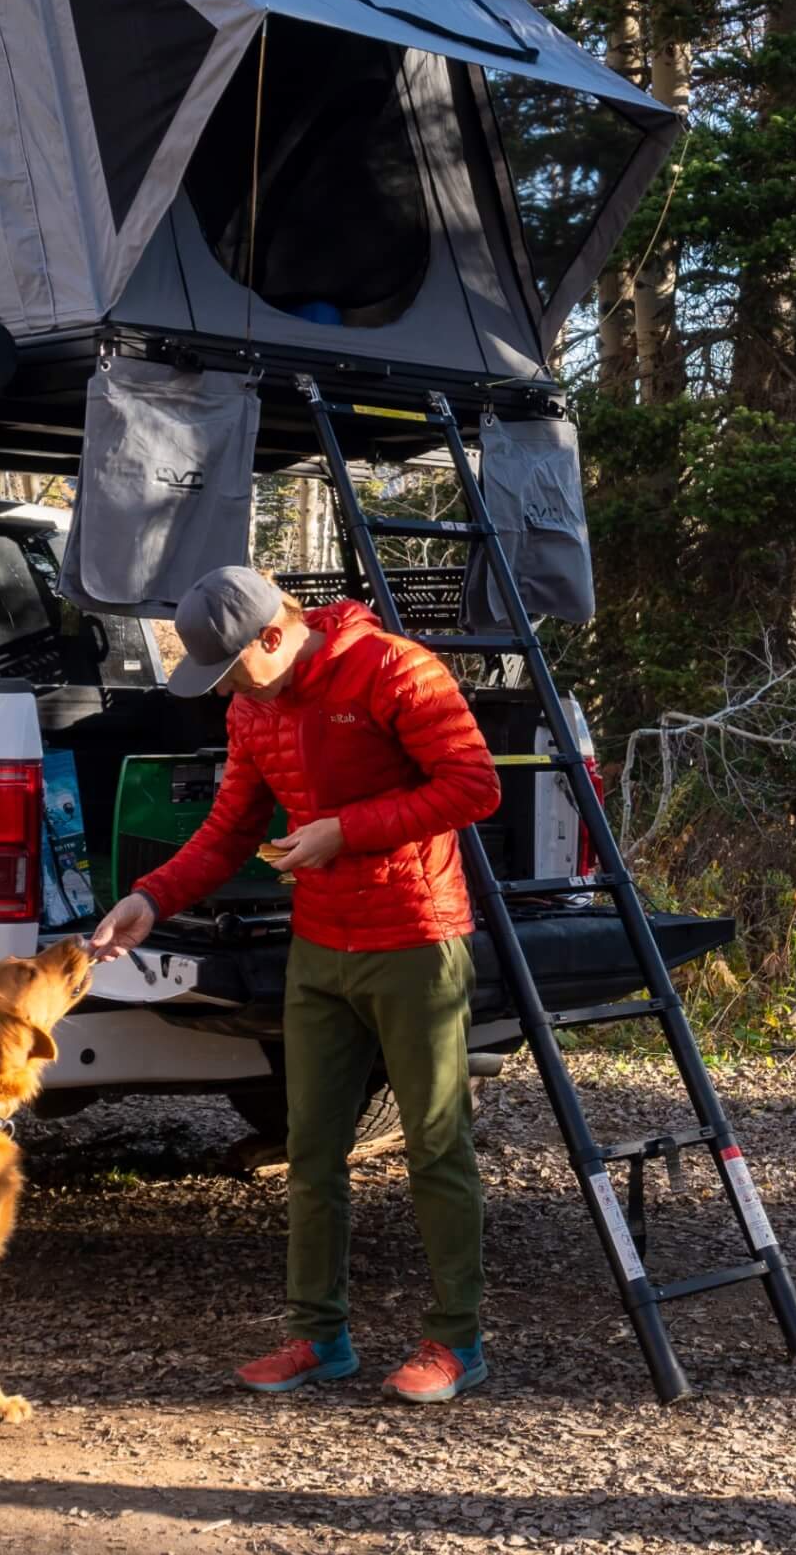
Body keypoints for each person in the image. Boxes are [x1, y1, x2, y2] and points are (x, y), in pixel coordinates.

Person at [90, 566, 501, 1404]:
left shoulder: (394, 668)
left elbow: (473, 786)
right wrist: (146, 899)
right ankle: (320, 1336)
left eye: (234, 668)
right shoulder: (252, 707)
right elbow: (229, 829)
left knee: (434, 1141)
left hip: (414, 937)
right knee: (312, 1149)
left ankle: (457, 1339)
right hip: (318, 944)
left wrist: (344, 832)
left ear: (274, 636)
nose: (230, 691)